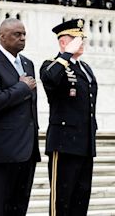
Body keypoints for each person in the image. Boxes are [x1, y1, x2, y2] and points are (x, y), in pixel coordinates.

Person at [0, 18, 40, 216]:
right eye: (17, 34)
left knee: (19, 208)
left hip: (26, 151)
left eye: (23, 34)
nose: (22, 38)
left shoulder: (27, 64)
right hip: (1, 152)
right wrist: (21, 87)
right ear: (2, 36)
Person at [40, 18, 97, 216]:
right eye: (75, 38)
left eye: (82, 38)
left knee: (81, 200)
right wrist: (66, 54)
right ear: (63, 41)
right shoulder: (52, 64)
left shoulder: (85, 68)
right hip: (64, 144)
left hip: (85, 143)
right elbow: (50, 78)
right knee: (61, 200)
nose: (81, 42)